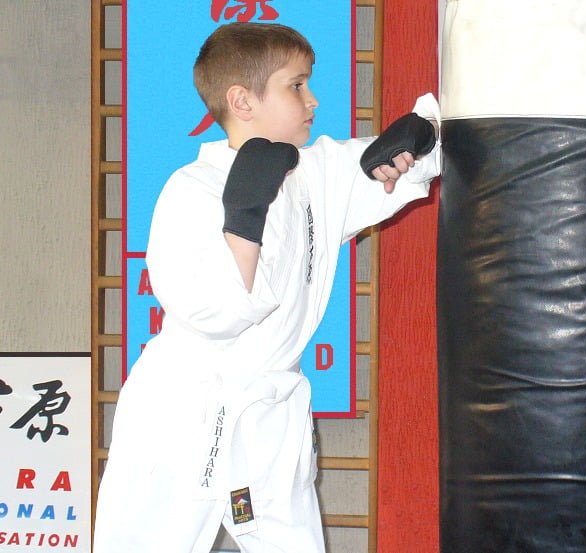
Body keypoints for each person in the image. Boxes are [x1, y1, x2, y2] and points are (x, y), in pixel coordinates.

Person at [93, 22, 440, 553]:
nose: (313, 99)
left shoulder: (314, 173)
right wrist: (244, 222)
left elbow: (387, 167)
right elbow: (207, 311)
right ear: (242, 101)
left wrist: (417, 139)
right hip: (184, 415)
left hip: (270, 416)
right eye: (296, 85)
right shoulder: (193, 189)